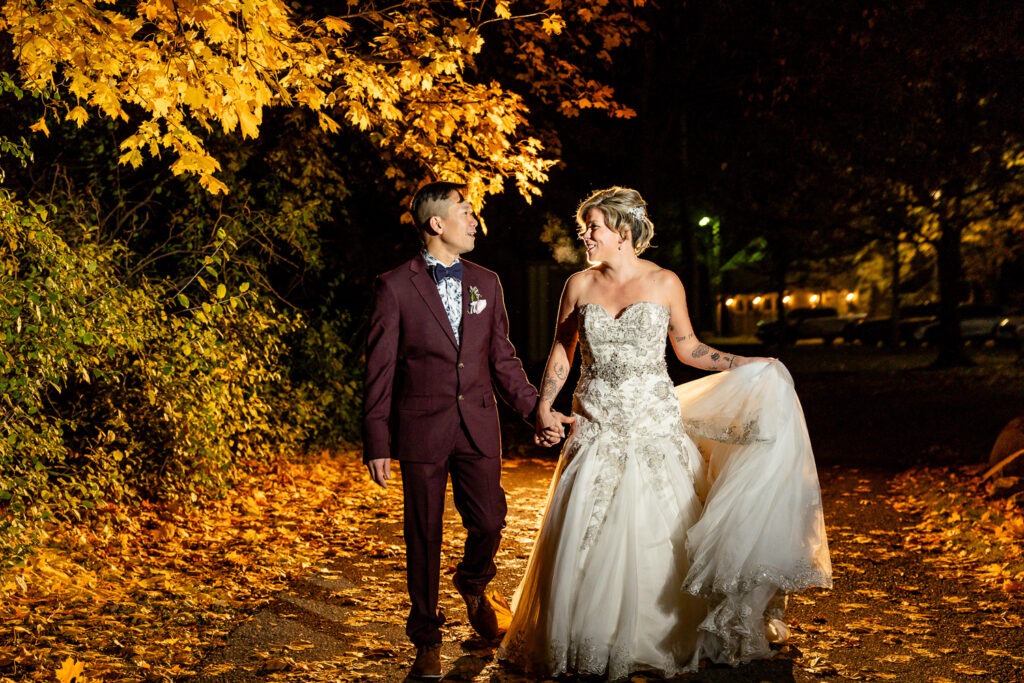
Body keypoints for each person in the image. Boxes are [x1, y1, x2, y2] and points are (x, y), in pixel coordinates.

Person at [499, 186, 832, 680]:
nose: (585, 235)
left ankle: (666, 633)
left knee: (663, 526)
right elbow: (563, 352)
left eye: (594, 227)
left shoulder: (665, 283)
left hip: (653, 423)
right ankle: (590, 638)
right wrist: (545, 406)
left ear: (624, 232)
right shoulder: (577, 286)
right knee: (584, 527)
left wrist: (749, 364)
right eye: (584, 227)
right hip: (596, 421)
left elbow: (689, 349)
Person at [363, 181, 571, 681]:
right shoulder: (394, 286)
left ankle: (473, 580)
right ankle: (427, 639)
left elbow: (501, 358)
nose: (474, 220)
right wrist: (377, 440)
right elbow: (380, 368)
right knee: (423, 535)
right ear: (437, 224)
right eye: (465, 211)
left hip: (478, 424)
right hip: (420, 429)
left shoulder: (487, 281)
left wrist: (534, 410)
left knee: (491, 520)